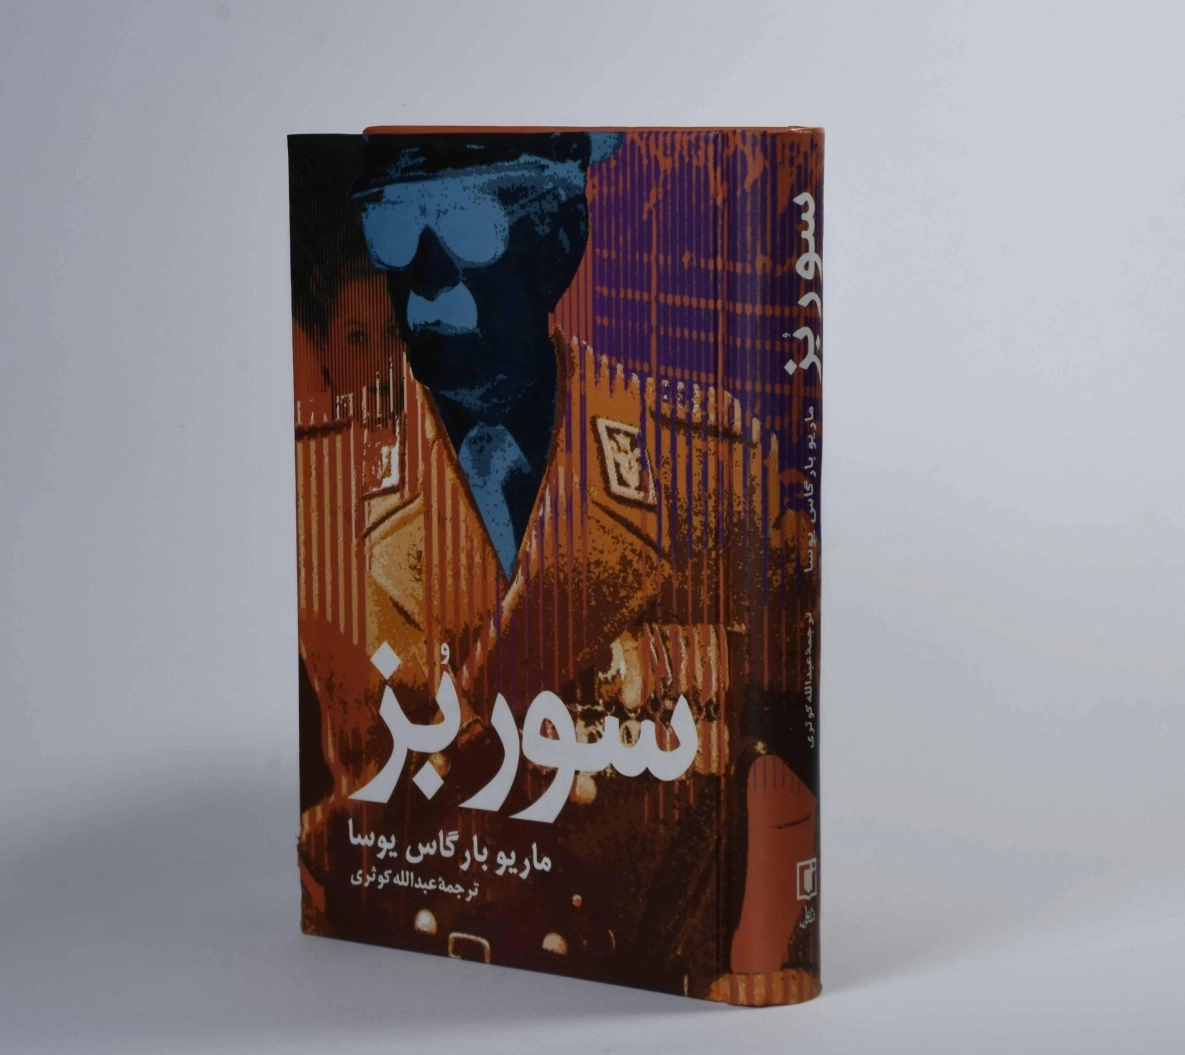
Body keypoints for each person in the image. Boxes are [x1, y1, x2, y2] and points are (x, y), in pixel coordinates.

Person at [294, 130, 819, 1003]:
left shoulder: (709, 475)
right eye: (394, 229)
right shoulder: (323, 481)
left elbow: (790, 741)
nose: (427, 285)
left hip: (635, 987)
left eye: (468, 229)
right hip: (388, 978)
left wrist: (759, 958)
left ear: (560, 245)